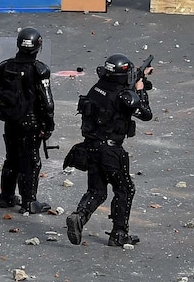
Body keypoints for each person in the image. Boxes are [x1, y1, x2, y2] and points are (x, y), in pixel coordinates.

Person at [65, 54, 153, 248]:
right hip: (111, 151)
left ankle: (79, 216)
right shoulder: (124, 96)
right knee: (125, 189)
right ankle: (119, 234)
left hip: (91, 147)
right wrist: (140, 90)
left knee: (96, 191)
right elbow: (146, 114)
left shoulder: (97, 88)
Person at [0, 28, 55, 214]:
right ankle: (29, 201)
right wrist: (49, 125)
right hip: (31, 122)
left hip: (11, 121)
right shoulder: (39, 69)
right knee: (32, 161)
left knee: (11, 158)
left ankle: (7, 196)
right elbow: (47, 101)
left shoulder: (4, 67)